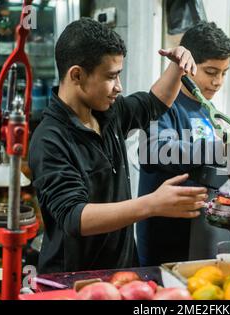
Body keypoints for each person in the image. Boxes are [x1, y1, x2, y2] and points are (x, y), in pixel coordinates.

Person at [28, 17, 208, 273]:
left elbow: (154, 103)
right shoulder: (50, 140)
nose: (119, 87)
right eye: (111, 77)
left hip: (122, 272)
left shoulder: (108, 113)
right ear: (77, 75)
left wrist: (177, 66)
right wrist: (152, 204)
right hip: (75, 280)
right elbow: (74, 217)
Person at [137, 21, 230, 267]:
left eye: (224, 73)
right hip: (165, 239)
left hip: (197, 234)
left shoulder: (207, 109)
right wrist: (222, 151)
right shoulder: (165, 105)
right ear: (188, 66)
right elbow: (155, 151)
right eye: (210, 72)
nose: (218, 81)